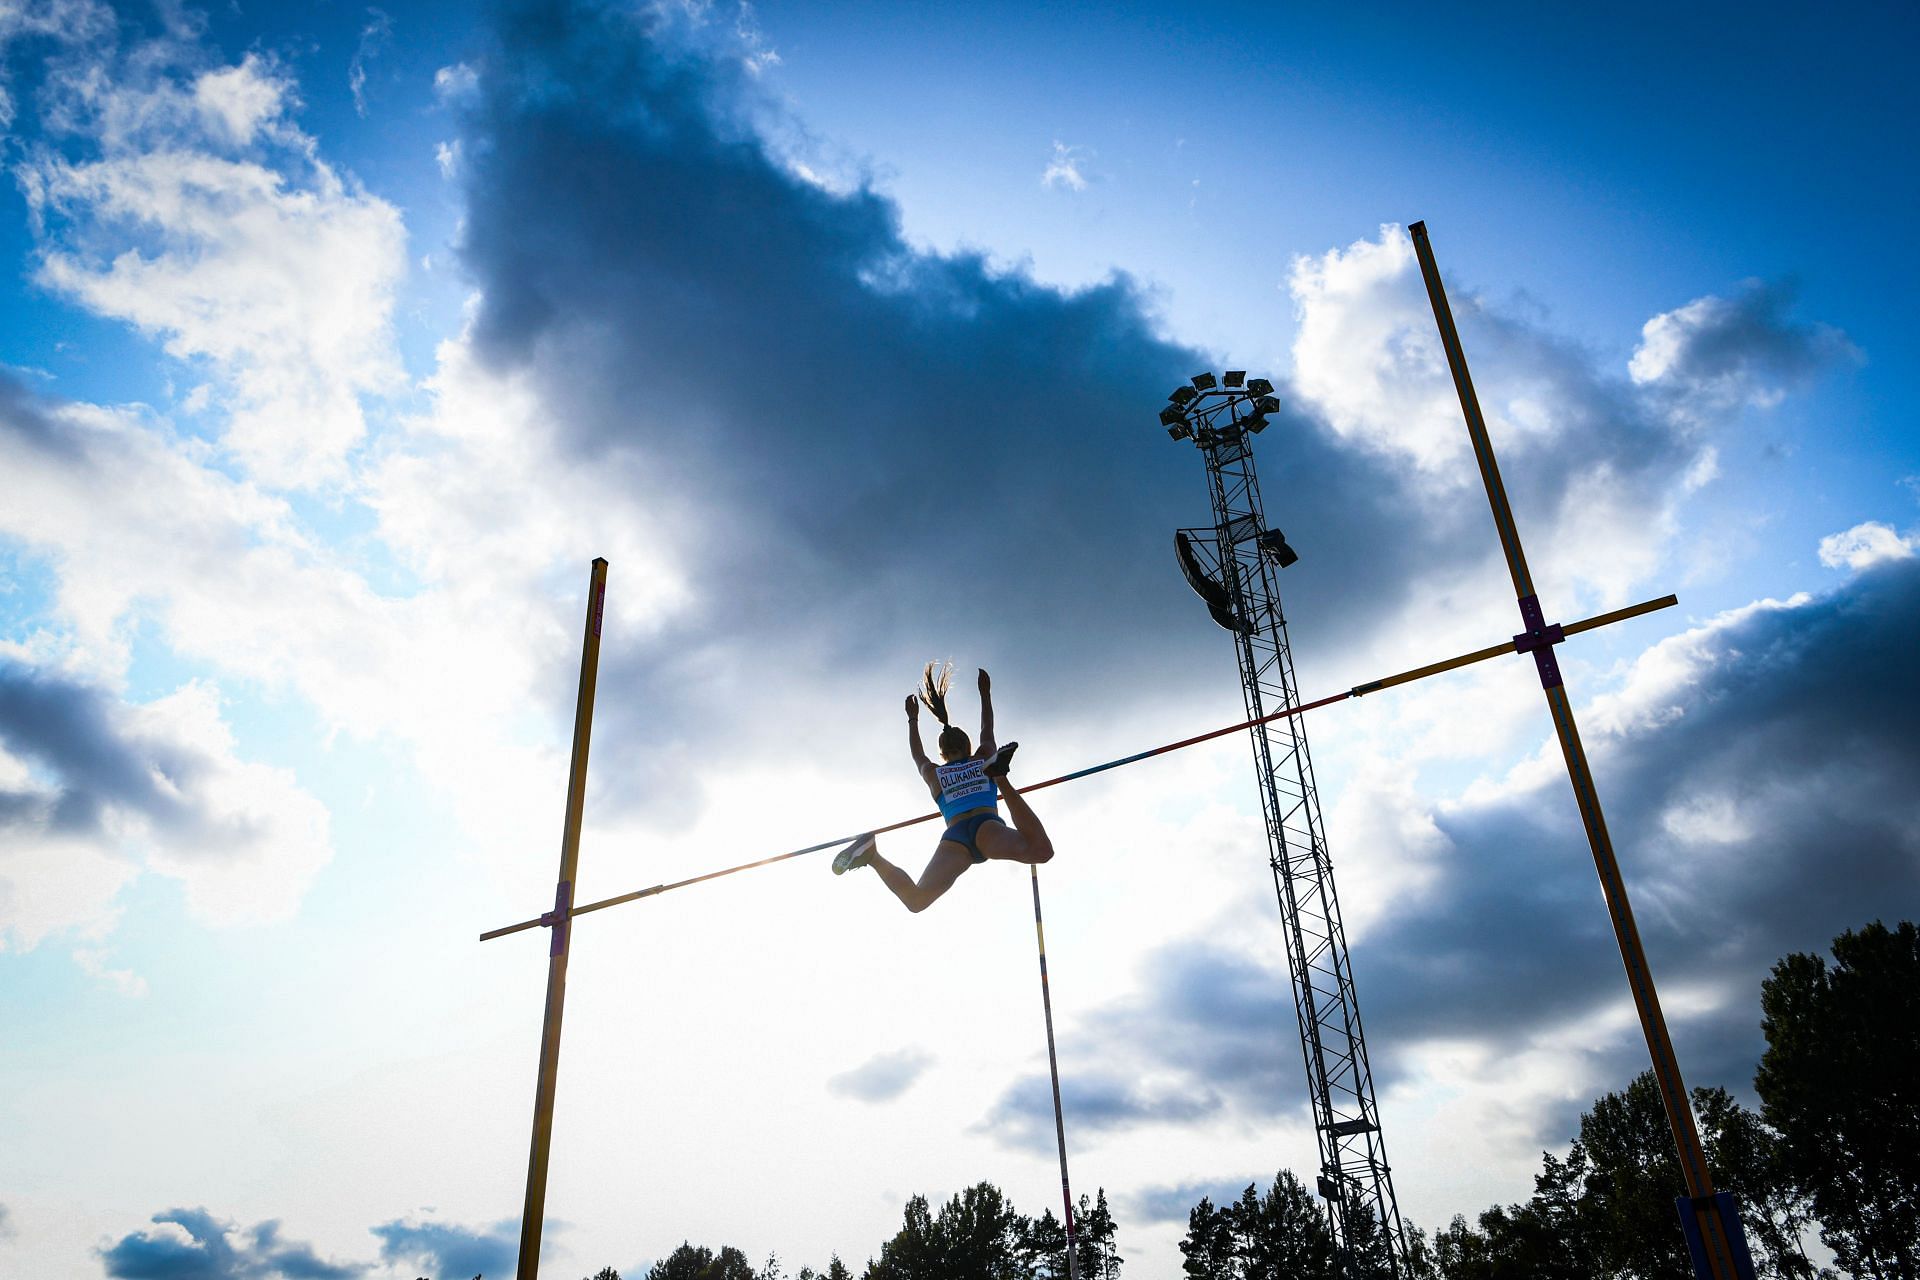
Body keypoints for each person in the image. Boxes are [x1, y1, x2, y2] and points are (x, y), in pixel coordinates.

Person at [832, 662, 1054, 911]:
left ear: (943, 752)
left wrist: (912, 719)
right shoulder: (981, 758)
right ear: (967, 746)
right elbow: (987, 729)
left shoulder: (933, 773)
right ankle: (1000, 777)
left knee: (916, 900)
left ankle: (872, 856)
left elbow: (918, 755)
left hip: (956, 836)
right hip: (986, 826)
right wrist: (985, 694)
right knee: (1040, 850)